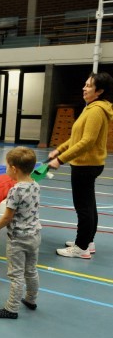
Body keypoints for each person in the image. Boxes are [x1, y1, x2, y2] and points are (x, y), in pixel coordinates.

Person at [48, 72, 113, 258]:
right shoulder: (91, 107)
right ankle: (88, 241)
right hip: (88, 164)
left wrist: (60, 159)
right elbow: (76, 137)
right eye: (85, 84)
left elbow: (87, 141)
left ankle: (81, 247)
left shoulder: (96, 111)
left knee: (83, 207)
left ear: (99, 91)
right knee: (89, 205)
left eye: (89, 86)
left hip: (86, 165)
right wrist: (59, 150)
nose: (84, 88)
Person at [0, 147, 41, 319]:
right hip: (35, 235)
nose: (6, 169)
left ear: (14, 169)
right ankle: (31, 299)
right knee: (31, 270)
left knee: (16, 274)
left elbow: (7, 217)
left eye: (7, 166)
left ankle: (11, 309)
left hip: (18, 239)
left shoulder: (15, 190)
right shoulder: (35, 185)